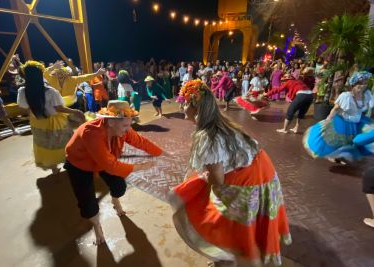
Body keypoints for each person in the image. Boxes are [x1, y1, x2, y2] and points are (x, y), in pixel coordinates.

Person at [172, 80, 291, 266]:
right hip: (264, 172)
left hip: (249, 180)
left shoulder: (207, 136)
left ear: (196, 107)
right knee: (244, 223)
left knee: (230, 223)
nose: (181, 106)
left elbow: (217, 179)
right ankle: (230, 256)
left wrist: (202, 177)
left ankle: (230, 257)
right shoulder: (221, 122)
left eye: (185, 102)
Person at [64, 100, 166, 245]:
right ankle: (97, 226)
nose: (128, 129)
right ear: (111, 122)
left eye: (129, 124)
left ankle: (115, 199)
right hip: (80, 163)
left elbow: (141, 142)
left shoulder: (122, 129)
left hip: (104, 160)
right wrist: (141, 166)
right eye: (125, 125)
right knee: (88, 203)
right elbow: (111, 166)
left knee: (119, 187)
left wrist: (161, 153)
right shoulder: (91, 132)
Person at [17, 61, 85, 174]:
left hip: (37, 121)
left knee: (45, 143)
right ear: (40, 75)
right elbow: (59, 108)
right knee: (63, 142)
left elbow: (24, 107)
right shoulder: (51, 92)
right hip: (54, 121)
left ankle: (53, 168)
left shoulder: (22, 91)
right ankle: (69, 163)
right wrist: (75, 111)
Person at [303, 71, 374, 163]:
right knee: (338, 143)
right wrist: (328, 120)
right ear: (353, 84)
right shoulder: (346, 96)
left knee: (363, 137)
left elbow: (371, 108)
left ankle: (339, 155)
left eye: (365, 83)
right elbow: (335, 109)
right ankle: (335, 156)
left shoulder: (367, 94)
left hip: (358, 121)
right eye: (360, 83)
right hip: (344, 122)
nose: (363, 85)